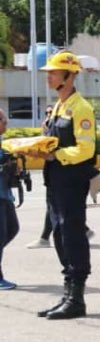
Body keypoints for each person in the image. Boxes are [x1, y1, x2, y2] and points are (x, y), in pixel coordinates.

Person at [32, 51, 96, 320]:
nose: (49, 77)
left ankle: (77, 298)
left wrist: (55, 155)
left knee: (72, 236)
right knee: (59, 235)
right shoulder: (58, 106)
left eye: (54, 73)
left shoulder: (81, 108)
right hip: (55, 181)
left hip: (71, 182)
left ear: (69, 76)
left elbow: (85, 149)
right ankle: (68, 294)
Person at [0, 109, 21, 290]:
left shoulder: (3, 144)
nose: (6, 122)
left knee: (13, 228)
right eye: (3, 120)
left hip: (5, 194)